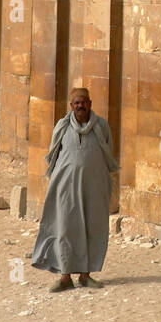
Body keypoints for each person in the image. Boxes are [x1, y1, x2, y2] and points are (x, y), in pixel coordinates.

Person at [31, 87, 119, 293]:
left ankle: (85, 276)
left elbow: (108, 154)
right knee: (66, 229)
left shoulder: (101, 126)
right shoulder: (62, 126)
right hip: (66, 189)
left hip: (93, 188)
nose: (80, 106)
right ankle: (65, 277)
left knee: (91, 228)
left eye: (84, 102)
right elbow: (53, 156)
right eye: (76, 103)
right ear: (71, 106)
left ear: (90, 104)